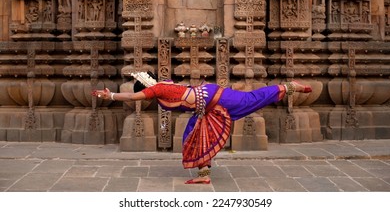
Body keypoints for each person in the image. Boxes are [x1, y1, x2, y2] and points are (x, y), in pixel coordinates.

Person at [91, 72, 312, 184]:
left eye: (144, 92)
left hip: (214, 100)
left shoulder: (156, 89)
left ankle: (288, 87)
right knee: (191, 134)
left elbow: (131, 95)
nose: (145, 97)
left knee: (249, 101)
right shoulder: (165, 82)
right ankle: (203, 174)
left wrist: (109, 95)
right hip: (205, 104)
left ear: (145, 87)